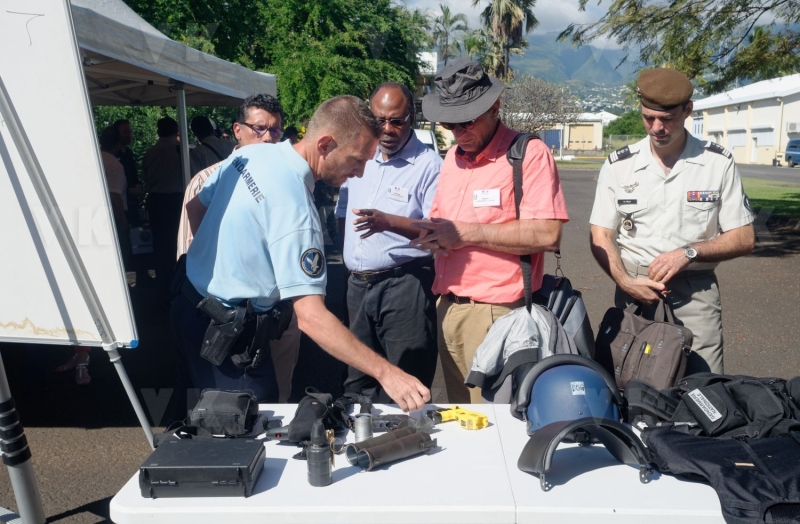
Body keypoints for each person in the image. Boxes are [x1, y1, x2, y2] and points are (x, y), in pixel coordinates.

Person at [173, 95, 430, 411]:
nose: (361, 172)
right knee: (240, 434)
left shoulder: (251, 155)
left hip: (189, 306)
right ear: (325, 145)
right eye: (357, 160)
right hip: (228, 337)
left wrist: (225, 263)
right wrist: (387, 373)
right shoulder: (297, 210)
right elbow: (311, 318)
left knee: (197, 420)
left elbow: (196, 207)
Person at [411, 59, 569, 404]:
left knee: (497, 422)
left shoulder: (528, 154)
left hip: (499, 313)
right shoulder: (452, 157)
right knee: (462, 416)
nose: (458, 132)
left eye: (466, 121)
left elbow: (547, 235)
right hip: (448, 308)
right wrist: (428, 237)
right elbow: (443, 223)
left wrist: (465, 234)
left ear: (494, 108)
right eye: (449, 123)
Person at [589, 68, 755, 375]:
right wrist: (624, 281)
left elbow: (743, 236)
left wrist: (689, 252)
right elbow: (599, 234)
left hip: (694, 293)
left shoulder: (716, 162)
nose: (656, 128)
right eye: (648, 117)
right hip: (634, 291)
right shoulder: (619, 165)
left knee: (702, 388)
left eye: (667, 119)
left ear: (688, 110)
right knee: (627, 382)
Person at [175, 93, 301, 404]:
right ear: (237, 130)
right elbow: (189, 248)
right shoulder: (209, 177)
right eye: (258, 129)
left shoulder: (288, 177)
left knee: (277, 395)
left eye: (274, 131)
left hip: (278, 311)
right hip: (229, 319)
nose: (267, 138)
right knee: (230, 405)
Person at [335, 82, 442, 401]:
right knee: (358, 381)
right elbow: (342, 212)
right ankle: (361, 445)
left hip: (404, 286)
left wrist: (389, 223)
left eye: (396, 120)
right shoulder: (358, 155)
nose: (387, 128)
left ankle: (408, 444)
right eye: (379, 119)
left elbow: (438, 232)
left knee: (406, 380)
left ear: (412, 118)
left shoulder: (429, 166)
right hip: (357, 286)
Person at [142, 116, 184, 299]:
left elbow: (145, 177)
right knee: (178, 244)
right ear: (176, 132)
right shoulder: (180, 151)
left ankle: (162, 285)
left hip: (156, 201)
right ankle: (177, 284)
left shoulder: (150, 152)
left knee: (160, 246)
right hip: (175, 201)